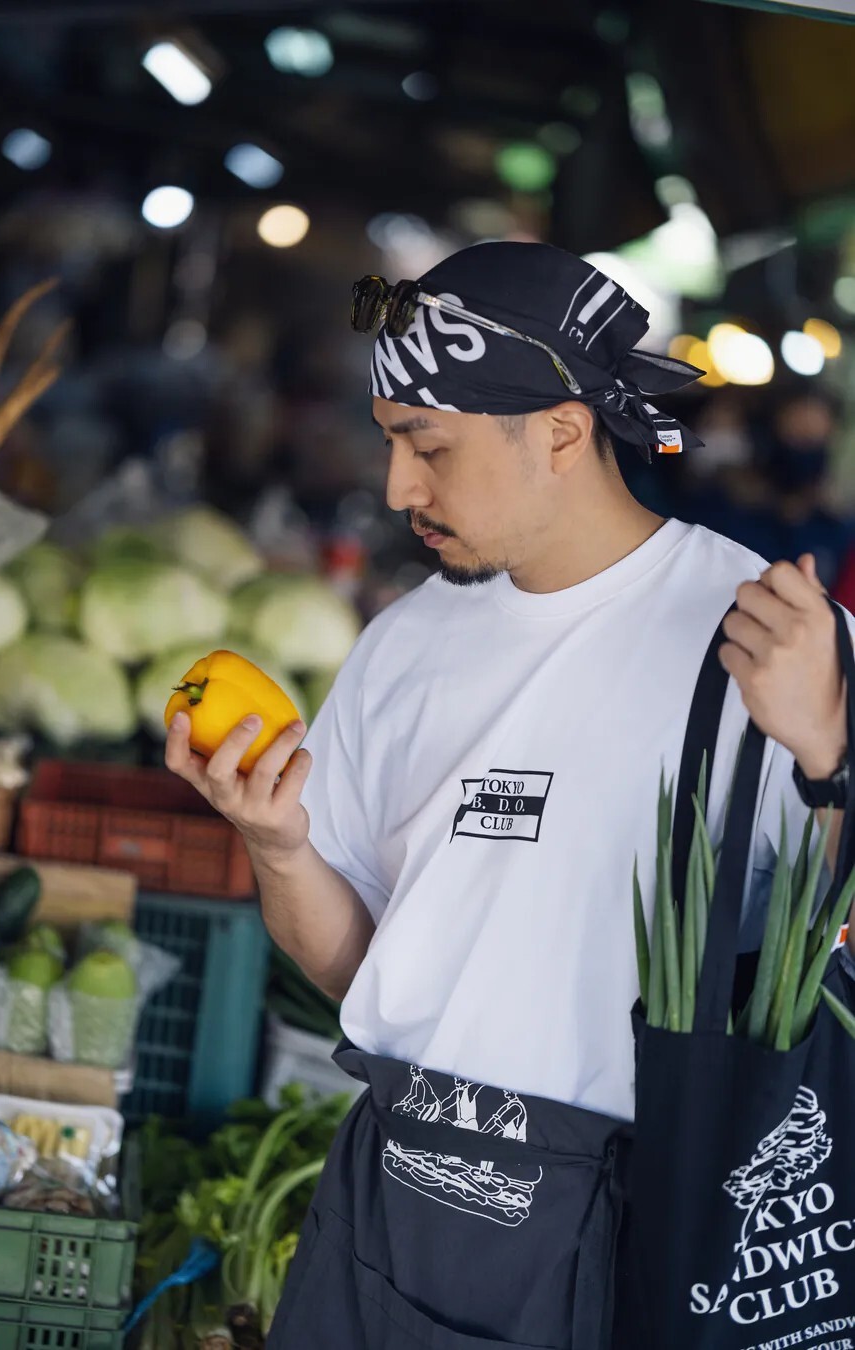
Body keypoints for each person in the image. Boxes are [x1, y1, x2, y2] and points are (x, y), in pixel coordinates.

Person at [165, 243, 854, 1349]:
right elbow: (362, 968)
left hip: (641, 1221)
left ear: (563, 434)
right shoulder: (402, 647)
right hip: (392, 1191)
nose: (399, 488)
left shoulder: (770, 641)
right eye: (391, 442)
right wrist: (279, 847)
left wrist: (829, 755)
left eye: (428, 445)